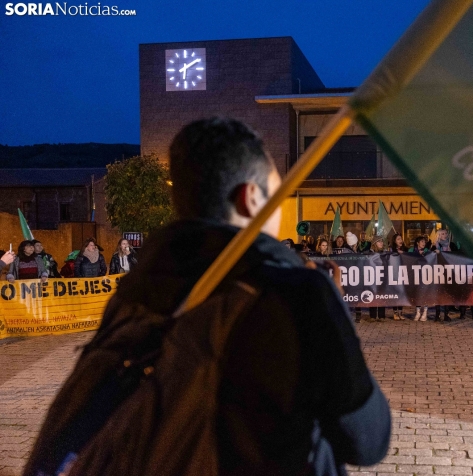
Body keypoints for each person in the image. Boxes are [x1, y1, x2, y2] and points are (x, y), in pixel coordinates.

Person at [30, 118, 390, 475]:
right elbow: (368, 440)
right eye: (277, 194)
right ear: (250, 199)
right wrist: (334, 313)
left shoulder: (136, 289)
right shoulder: (294, 294)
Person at [431, 229, 458, 322]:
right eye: (442, 234)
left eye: (446, 233)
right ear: (438, 235)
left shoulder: (451, 245)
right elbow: (430, 256)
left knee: (447, 294)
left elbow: (457, 256)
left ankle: (446, 314)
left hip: (448, 272)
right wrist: (436, 252)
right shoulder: (435, 245)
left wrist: (450, 252)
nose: (445, 235)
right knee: (438, 293)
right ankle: (437, 314)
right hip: (438, 272)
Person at [409, 235, 430, 321]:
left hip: (425, 275)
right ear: (417, 243)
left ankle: (425, 312)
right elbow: (408, 258)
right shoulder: (411, 250)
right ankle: (417, 312)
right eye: (422, 242)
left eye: (424, 242)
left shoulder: (427, 251)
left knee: (425, 293)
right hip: (415, 275)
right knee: (417, 293)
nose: (424, 243)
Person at [390, 234, 408, 319]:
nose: (400, 240)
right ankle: (395, 313)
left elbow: (410, 257)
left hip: (403, 274)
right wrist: (396, 253)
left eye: (401, 239)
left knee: (402, 292)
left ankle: (401, 312)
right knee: (395, 292)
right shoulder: (391, 250)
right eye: (398, 239)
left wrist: (403, 253)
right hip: (394, 273)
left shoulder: (406, 249)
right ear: (395, 241)